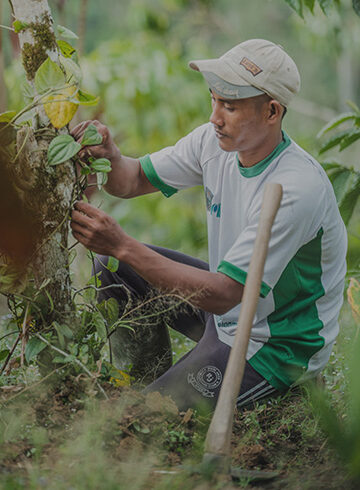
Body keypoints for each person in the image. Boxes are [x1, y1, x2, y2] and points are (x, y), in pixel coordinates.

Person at [70, 39, 347, 412]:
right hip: (225, 313)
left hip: (272, 342)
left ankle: (290, 389)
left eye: (230, 106)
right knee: (115, 268)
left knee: (143, 422)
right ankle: (141, 384)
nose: (215, 116)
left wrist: (122, 244)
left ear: (272, 112)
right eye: (214, 100)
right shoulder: (214, 142)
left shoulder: (297, 188)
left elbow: (226, 293)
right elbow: (132, 180)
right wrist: (111, 155)